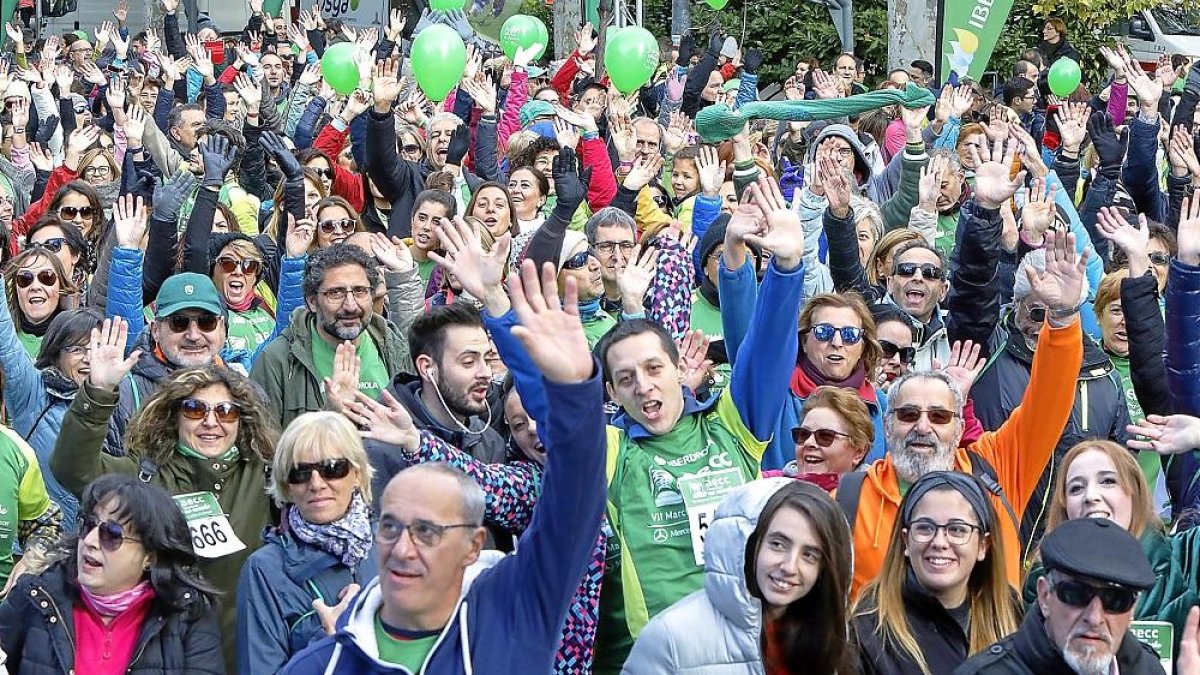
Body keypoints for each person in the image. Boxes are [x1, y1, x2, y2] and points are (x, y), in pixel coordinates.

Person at [280, 257, 607, 675]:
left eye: (428, 530)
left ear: (475, 544)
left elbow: (575, 491)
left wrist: (573, 387)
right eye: (390, 526)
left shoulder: (512, 621)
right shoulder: (325, 663)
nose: (403, 547)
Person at [841, 227, 1086, 597]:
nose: (922, 426)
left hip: (986, 650)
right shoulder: (852, 496)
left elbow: (1049, 398)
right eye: (908, 415)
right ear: (887, 426)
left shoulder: (995, 467)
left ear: (959, 425)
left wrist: (1064, 317)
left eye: (939, 416)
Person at [50, 320, 279, 666]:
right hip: (165, 658)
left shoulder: (267, 477)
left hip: (245, 656)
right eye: (195, 409)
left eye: (226, 412)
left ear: (242, 420)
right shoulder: (145, 477)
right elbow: (72, 469)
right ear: (175, 417)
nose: (211, 422)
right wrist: (98, 393)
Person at [622, 479, 855, 674]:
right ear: (748, 543)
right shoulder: (670, 637)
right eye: (777, 544)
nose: (790, 566)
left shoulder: (826, 633)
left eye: (809, 555)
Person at [0, 475, 222, 673]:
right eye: (89, 525)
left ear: (150, 556)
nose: (90, 541)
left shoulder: (187, 614)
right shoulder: (35, 596)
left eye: (112, 534)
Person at [236, 411, 378, 675]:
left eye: (332, 468)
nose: (316, 484)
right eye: (300, 473)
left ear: (356, 474)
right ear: (286, 486)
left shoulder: (390, 542)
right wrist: (326, 643)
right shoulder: (264, 569)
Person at [1023, 440, 1200, 650]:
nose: (1090, 496)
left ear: (1134, 491)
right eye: (1076, 488)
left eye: (1107, 481)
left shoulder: (1189, 554)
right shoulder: (1042, 582)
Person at [853, 472, 1021, 675]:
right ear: (906, 540)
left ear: (983, 545)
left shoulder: (1007, 610)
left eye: (957, 529)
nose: (939, 542)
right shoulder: (866, 628)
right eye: (925, 528)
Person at [954, 518, 1165, 675]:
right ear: (1045, 596)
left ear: (1132, 610)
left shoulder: (1148, 669)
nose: (1094, 617)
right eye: (1076, 594)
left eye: (1116, 600)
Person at [250, 243, 415, 431]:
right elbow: (262, 449)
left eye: (360, 291)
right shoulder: (276, 359)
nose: (351, 305)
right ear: (312, 302)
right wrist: (332, 415)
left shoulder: (396, 348)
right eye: (336, 293)